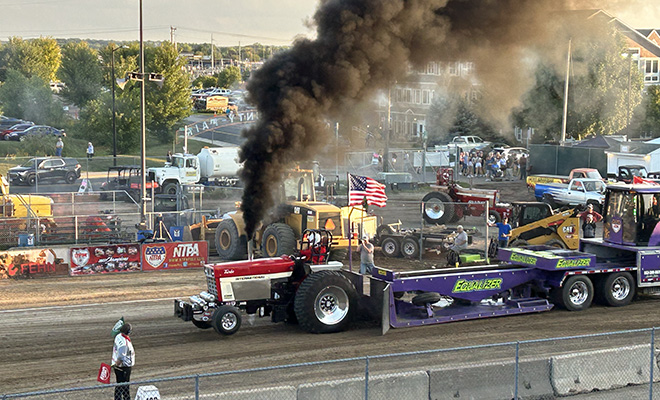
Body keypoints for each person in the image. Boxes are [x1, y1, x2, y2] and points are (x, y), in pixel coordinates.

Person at [112, 323, 135, 400]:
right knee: (125, 387)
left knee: (119, 386)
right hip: (124, 367)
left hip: (117, 366)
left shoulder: (118, 336)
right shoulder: (125, 344)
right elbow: (121, 357)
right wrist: (118, 365)